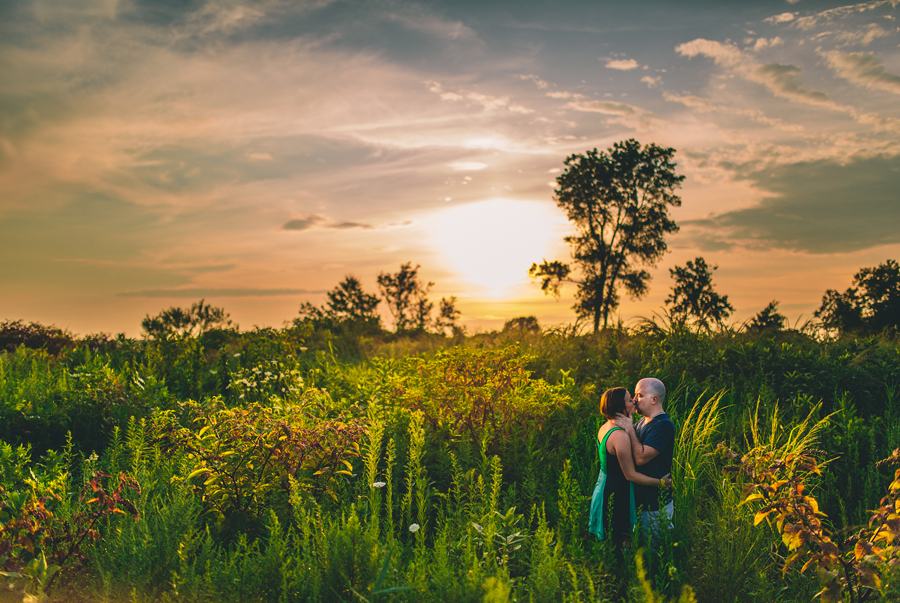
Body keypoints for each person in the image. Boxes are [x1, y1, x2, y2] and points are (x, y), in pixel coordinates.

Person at [589, 387, 672, 550]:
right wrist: (660, 482)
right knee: (618, 541)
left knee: (613, 540)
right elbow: (630, 475)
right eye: (629, 400)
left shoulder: (606, 426)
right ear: (621, 407)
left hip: (604, 485)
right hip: (615, 491)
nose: (634, 401)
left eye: (636, 396)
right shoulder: (620, 435)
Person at [614, 377, 675, 543]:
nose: (634, 400)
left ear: (654, 399)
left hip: (655, 504)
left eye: (639, 395)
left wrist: (629, 429)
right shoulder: (642, 421)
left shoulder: (663, 425)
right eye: (634, 395)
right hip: (640, 501)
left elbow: (640, 458)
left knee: (655, 554)